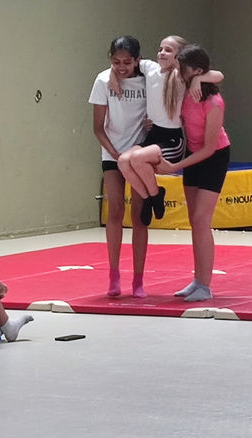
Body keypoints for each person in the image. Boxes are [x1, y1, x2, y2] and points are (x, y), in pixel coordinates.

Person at [116, 35, 223, 227]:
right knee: (123, 161)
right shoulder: (149, 67)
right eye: (160, 49)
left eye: (168, 50)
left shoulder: (180, 77)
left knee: (137, 158)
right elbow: (125, 63)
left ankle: (153, 195)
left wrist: (198, 79)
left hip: (172, 140)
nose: (162, 53)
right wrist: (112, 76)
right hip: (153, 135)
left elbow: (219, 75)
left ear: (178, 57)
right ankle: (152, 196)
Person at [155, 45, 230, 302]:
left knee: (201, 219)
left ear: (196, 71)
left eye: (182, 67)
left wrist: (175, 166)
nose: (177, 71)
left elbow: (209, 148)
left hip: (214, 156)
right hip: (194, 154)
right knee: (193, 220)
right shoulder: (185, 89)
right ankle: (197, 280)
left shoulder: (214, 103)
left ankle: (205, 285)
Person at [89, 35, 150, 298]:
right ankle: (114, 274)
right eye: (116, 62)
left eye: (127, 62)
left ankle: (138, 279)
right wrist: (114, 152)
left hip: (139, 153)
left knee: (139, 215)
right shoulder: (103, 80)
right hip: (113, 153)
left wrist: (152, 124)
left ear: (138, 60)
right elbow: (97, 127)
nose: (121, 67)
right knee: (115, 209)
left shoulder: (148, 78)